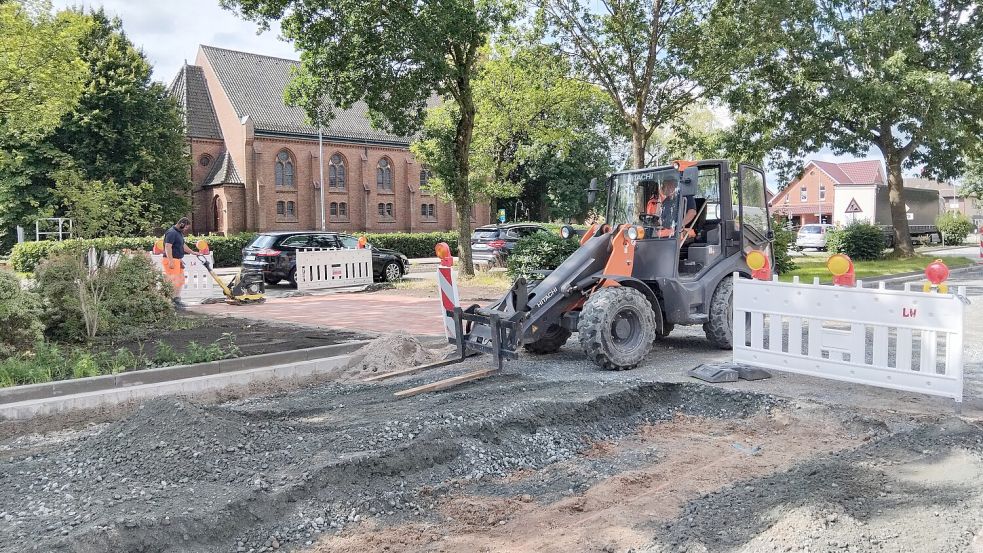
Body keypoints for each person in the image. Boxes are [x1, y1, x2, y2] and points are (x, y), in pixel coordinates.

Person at [162, 217, 199, 306]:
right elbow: (168, 247)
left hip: (177, 260)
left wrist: (192, 252)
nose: (186, 229)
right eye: (186, 227)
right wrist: (171, 260)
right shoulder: (171, 233)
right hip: (171, 260)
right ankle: (170, 301)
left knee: (180, 280)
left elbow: (182, 245)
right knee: (172, 281)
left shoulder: (178, 233)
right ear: (182, 224)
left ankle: (176, 299)